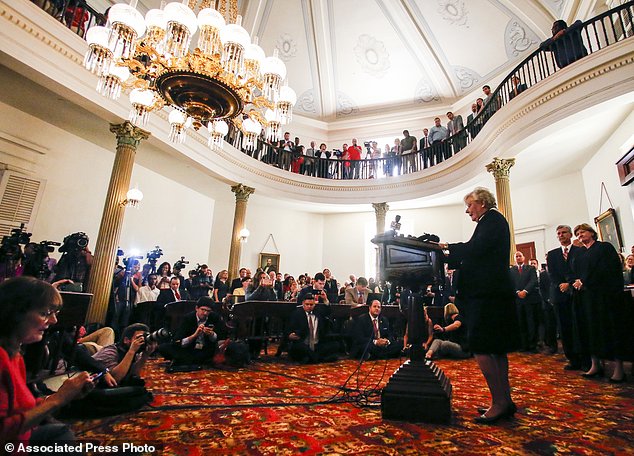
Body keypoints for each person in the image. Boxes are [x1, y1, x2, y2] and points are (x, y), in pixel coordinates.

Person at [438, 187, 520, 424]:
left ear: (482, 203)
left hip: (487, 296)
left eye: (470, 205)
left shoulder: (492, 220)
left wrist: (445, 248)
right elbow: (475, 250)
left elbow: (474, 250)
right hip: (491, 294)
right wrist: (449, 250)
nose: (467, 210)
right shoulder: (490, 221)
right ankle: (503, 400)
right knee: (496, 348)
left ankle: (500, 402)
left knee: (483, 347)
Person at [0, 277, 94, 447]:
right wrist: (58, 399)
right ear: (15, 313)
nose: (54, 321)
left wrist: (65, 395)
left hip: (23, 439)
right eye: (44, 313)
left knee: (61, 432)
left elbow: (23, 406)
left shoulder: (15, 354)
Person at [571, 223, 627, 383]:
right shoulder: (580, 253)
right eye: (578, 234)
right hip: (587, 299)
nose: (580, 235)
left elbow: (607, 270)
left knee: (611, 330)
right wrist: (577, 281)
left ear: (592, 233)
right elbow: (577, 271)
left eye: (582, 232)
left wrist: (585, 281)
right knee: (591, 330)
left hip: (604, 297)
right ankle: (595, 364)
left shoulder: (604, 248)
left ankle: (619, 369)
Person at [159, 297, 227, 370]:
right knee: (163, 347)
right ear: (197, 308)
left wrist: (212, 334)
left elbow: (221, 337)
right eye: (203, 310)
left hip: (206, 349)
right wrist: (194, 335)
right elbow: (179, 341)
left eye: (208, 311)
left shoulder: (215, 318)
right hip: (189, 349)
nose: (205, 313)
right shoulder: (188, 318)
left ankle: (185, 362)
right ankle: (194, 362)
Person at [92, 323, 157, 385]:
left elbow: (133, 375)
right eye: (139, 338)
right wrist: (131, 351)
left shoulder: (137, 353)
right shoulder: (110, 352)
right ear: (126, 340)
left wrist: (145, 355)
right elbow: (114, 379)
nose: (142, 341)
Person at [286, 294, 338, 363]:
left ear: (314, 305)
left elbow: (328, 311)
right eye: (307, 304)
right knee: (300, 348)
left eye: (311, 304)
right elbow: (288, 329)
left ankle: (311, 358)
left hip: (317, 344)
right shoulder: (296, 314)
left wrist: (325, 299)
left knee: (335, 345)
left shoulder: (318, 312)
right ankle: (317, 359)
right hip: (303, 343)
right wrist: (290, 335)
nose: (309, 306)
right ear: (303, 304)